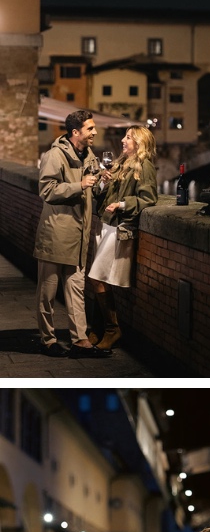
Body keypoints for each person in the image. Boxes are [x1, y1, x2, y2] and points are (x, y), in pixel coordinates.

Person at [33, 109, 101, 358]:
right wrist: (80, 185)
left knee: (76, 290)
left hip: (80, 234)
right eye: (90, 128)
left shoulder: (90, 156)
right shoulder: (54, 155)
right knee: (47, 292)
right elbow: (47, 190)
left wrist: (102, 180)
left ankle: (80, 340)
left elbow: (93, 189)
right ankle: (47, 340)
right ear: (76, 132)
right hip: (56, 232)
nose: (95, 132)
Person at [86, 125, 159, 352]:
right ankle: (97, 329)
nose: (123, 141)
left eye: (128, 137)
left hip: (120, 228)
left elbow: (148, 198)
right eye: (125, 136)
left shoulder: (144, 166)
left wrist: (122, 204)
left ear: (139, 142)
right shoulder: (119, 164)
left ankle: (111, 329)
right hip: (107, 224)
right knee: (100, 278)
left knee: (96, 277)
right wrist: (102, 181)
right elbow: (99, 194)